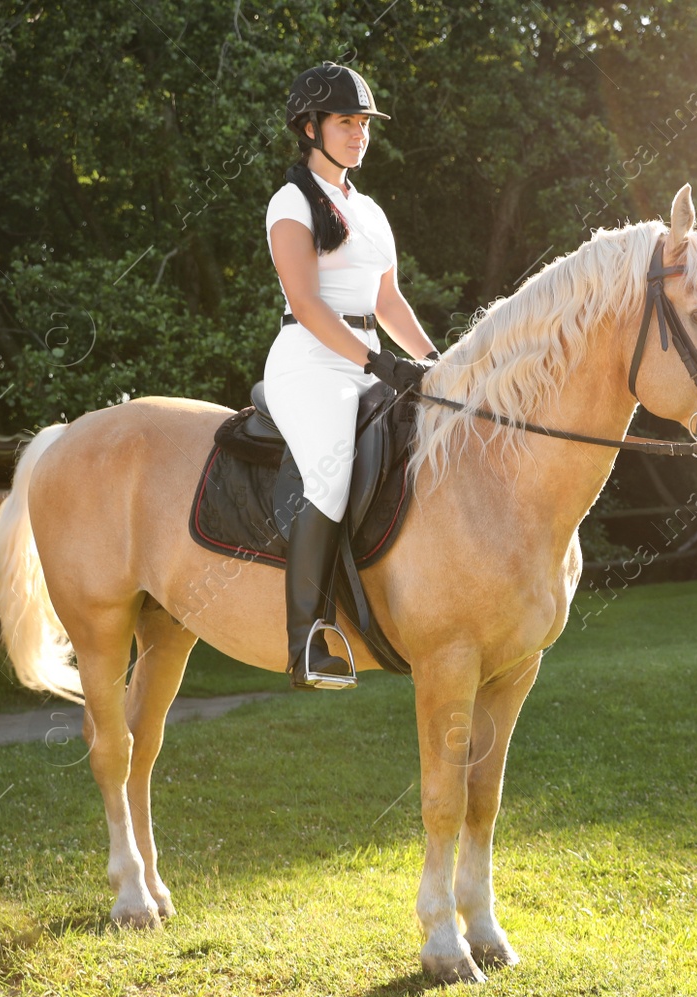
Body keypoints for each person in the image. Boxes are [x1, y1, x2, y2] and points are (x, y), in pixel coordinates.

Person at [266, 61, 437, 689]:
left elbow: (389, 302)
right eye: (346, 122)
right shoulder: (290, 202)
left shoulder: (368, 211)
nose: (359, 133)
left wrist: (432, 362)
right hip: (310, 362)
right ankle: (305, 641)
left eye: (363, 123)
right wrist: (375, 362)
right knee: (333, 470)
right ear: (310, 127)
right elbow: (308, 304)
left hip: (371, 362)